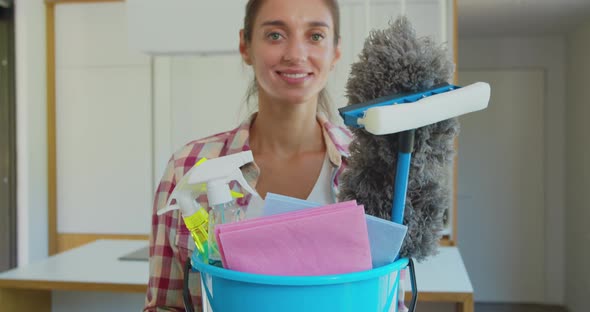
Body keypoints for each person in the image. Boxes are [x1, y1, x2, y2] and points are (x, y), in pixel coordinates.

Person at [143, 0, 350, 310]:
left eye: (315, 36)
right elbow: (164, 306)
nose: (296, 54)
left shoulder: (367, 166)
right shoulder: (189, 167)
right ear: (245, 45)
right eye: (275, 35)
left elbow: (391, 303)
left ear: (335, 51)